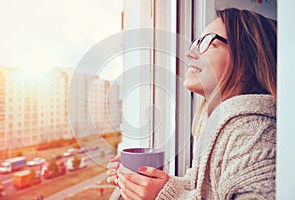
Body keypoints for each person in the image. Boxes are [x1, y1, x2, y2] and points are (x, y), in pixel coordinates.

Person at [107, 7, 277, 200]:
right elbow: (208, 190)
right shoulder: (220, 124)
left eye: (207, 42)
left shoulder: (251, 132)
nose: (190, 53)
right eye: (196, 42)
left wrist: (168, 197)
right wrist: (148, 184)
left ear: (247, 59)